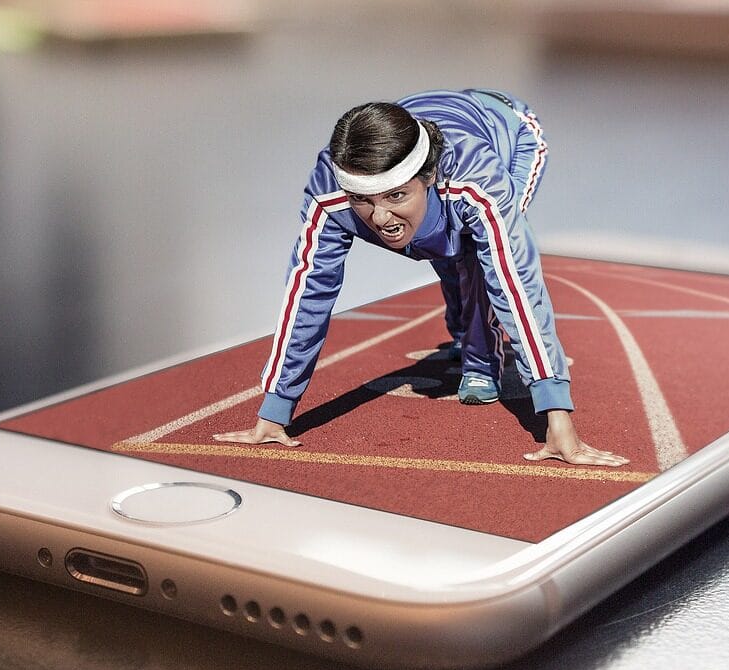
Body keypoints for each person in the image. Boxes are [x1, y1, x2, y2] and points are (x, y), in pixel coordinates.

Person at [214, 89, 628, 467]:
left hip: (510, 134)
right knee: (441, 250)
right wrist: (274, 410)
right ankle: (467, 333)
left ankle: (482, 361)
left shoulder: (475, 176)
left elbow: (516, 284)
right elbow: (307, 294)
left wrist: (558, 419)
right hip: (431, 137)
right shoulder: (330, 191)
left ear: (427, 177)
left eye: (396, 195)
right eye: (363, 200)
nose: (380, 218)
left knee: (479, 255)